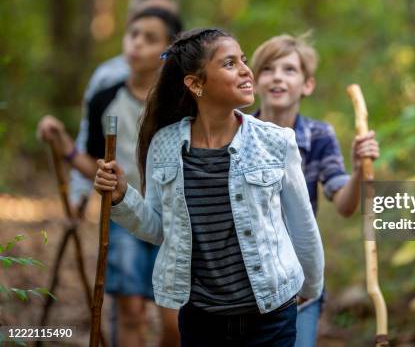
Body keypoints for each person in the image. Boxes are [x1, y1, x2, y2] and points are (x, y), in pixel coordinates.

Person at [93, 28, 325, 346]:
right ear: (196, 83)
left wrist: (310, 289)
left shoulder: (275, 141)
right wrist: (122, 197)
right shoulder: (166, 145)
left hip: (271, 313)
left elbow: (302, 225)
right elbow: (160, 229)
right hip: (202, 318)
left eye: (244, 60)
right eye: (230, 64)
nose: (246, 70)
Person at [37, 8, 183, 347]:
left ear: (169, 49)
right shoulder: (105, 98)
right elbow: (94, 165)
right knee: (129, 311)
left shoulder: (181, 103)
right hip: (123, 215)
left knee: (175, 323)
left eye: (150, 38)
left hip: (176, 219)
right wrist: (65, 147)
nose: (136, 44)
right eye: (133, 34)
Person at [250, 33, 380, 347]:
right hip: (249, 278)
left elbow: (345, 205)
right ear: (254, 82)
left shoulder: (319, 135)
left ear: (307, 85)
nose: (278, 76)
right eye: (268, 69)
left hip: (300, 280)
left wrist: (359, 167)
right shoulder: (238, 132)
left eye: (289, 70)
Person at [70, 0, 180, 205]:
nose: (139, 43)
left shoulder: (185, 92)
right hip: (125, 204)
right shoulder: (106, 80)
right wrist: (79, 194)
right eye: (136, 31)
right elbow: (88, 141)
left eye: (163, 16)